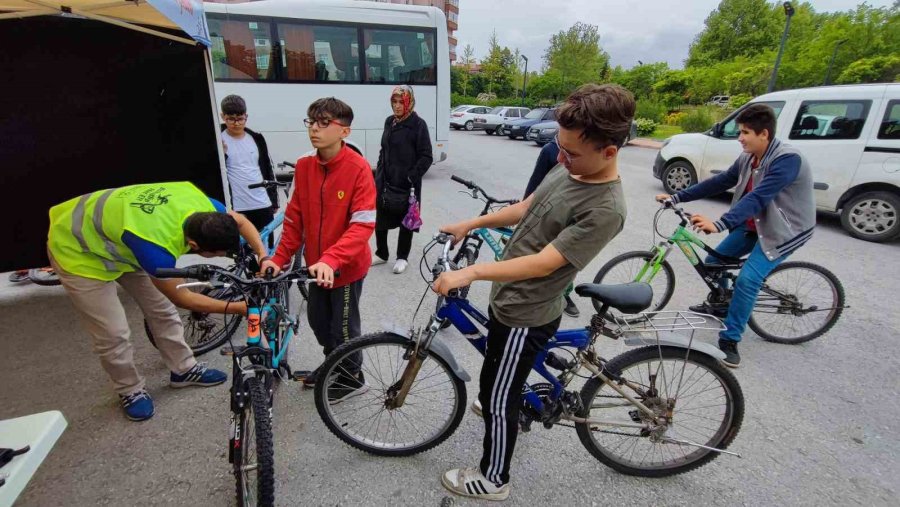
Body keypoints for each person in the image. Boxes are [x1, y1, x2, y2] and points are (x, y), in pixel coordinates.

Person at [433, 84, 634, 500]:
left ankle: (493, 479)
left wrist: (471, 272)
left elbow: (545, 263)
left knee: (498, 394)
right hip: (509, 299)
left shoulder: (605, 208)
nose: (561, 158)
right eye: (559, 149)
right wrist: (472, 223)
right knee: (498, 383)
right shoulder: (571, 165)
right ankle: (506, 403)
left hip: (527, 312)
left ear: (609, 151)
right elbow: (526, 207)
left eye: (571, 152)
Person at [46, 181, 266, 421]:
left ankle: (184, 370)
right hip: (79, 253)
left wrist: (263, 255)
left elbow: (241, 221)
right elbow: (182, 297)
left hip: (123, 244)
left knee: (161, 311)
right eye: (216, 254)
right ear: (193, 245)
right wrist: (239, 309)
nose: (221, 258)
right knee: (112, 331)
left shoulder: (205, 207)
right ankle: (130, 390)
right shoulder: (154, 247)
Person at [655, 103, 815, 368]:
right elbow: (721, 181)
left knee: (747, 281)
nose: (740, 138)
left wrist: (720, 224)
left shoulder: (787, 159)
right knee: (714, 264)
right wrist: (677, 196)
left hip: (782, 230)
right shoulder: (749, 157)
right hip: (753, 224)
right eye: (740, 132)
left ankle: (730, 339)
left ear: (764, 134)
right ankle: (722, 306)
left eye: (745, 132)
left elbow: (760, 196)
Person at [260, 98, 376, 401]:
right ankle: (334, 364)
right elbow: (295, 218)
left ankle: (353, 377)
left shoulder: (358, 169)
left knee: (344, 328)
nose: (314, 128)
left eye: (324, 123)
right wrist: (278, 258)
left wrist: (332, 258)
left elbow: (362, 225)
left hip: (346, 268)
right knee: (318, 321)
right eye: (311, 121)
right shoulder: (305, 166)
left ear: (345, 131)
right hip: (315, 267)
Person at [372, 85, 433, 274]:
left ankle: (402, 257)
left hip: (407, 184)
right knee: (380, 217)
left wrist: (411, 176)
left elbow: (426, 155)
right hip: (386, 180)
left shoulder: (418, 124)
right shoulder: (389, 121)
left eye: (401, 102)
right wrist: (379, 172)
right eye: (394, 102)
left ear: (409, 102)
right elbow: (384, 148)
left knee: (406, 220)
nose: (397, 106)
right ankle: (382, 253)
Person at [523, 141, 580, 318]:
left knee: (562, 264)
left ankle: (564, 295)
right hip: (544, 214)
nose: (560, 158)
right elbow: (536, 181)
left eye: (567, 152)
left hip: (565, 223)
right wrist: (525, 208)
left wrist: (474, 272)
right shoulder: (551, 152)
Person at [219, 95, 279, 240]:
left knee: (266, 247)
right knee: (243, 252)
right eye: (230, 119)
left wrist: (274, 200)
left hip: (262, 203)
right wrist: (222, 153)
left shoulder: (256, 138)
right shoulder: (218, 139)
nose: (236, 123)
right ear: (222, 116)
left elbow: (268, 168)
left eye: (240, 118)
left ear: (246, 116)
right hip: (237, 206)